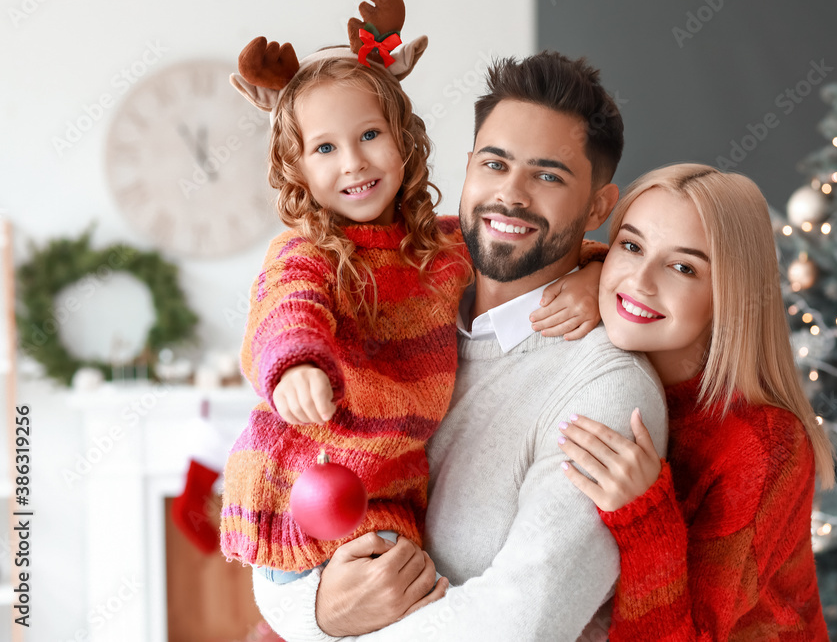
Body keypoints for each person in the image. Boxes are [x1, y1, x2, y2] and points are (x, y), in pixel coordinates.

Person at [251, 52, 668, 641]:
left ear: (599, 207)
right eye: (495, 164)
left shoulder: (606, 388)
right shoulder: (406, 295)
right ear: (469, 168)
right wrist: (317, 613)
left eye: (549, 176)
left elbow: (519, 626)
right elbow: (285, 512)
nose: (512, 196)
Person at [219, 0, 602, 612]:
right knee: (398, 601)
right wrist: (295, 366)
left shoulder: (441, 248)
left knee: (415, 596)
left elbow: (535, 251)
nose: (353, 162)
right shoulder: (308, 252)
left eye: (369, 134)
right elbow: (288, 309)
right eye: (324, 148)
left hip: (388, 490)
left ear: (403, 137)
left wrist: (592, 269)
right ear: (298, 170)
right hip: (305, 485)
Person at [556, 163, 837, 640]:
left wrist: (644, 515)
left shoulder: (766, 446)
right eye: (631, 245)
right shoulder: (594, 354)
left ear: (730, 295)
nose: (640, 281)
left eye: (683, 267)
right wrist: (591, 269)